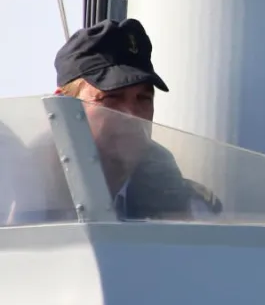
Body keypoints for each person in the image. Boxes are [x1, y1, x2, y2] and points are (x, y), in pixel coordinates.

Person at [21, 18, 222, 223]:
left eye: (143, 98)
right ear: (62, 105)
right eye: (112, 97)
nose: (132, 115)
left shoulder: (179, 199)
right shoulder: (22, 187)